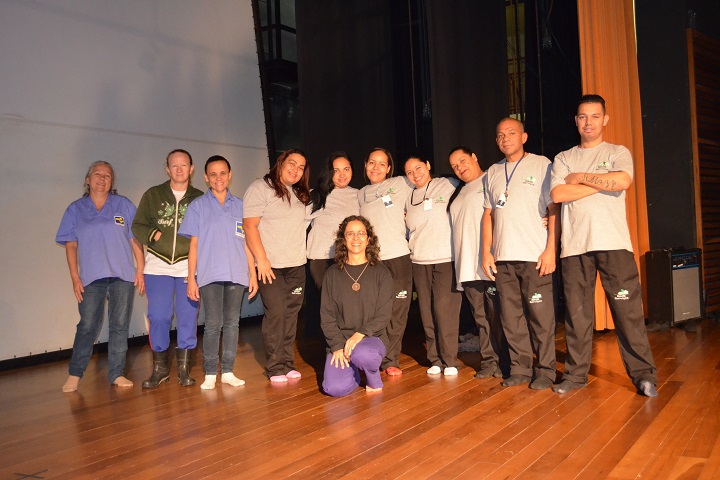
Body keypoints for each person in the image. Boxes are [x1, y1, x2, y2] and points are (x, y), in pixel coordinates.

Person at [550, 94, 658, 397]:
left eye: (595, 116)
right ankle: (575, 375)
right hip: (574, 247)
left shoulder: (618, 151)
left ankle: (643, 376)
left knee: (628, 314)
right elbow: (558, 195)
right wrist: (601, 182)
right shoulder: (563, 158)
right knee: (577, 315)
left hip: (614, 243)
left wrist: (580, 180)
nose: (588, 122)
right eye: (583, 116)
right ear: (576, 121)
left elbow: (623, 181)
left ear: (604, 119)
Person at [481, 119, 559, 389]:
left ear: (524, 136)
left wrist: (551, 249)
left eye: (511, 133)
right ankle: (521, 369)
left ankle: (547, 370)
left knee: (541, 317)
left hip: (534, 255)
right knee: (511, 319)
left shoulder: (542, 164)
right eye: (500, 135)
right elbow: (488, 215)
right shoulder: (492, 171)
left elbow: (553, 210)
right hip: (503, 259)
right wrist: (486, 253)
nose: (505, 138)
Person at [56, 161, 145, 392]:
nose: (102, 179)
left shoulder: (123, 205)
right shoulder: (75, 209)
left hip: (122, 276)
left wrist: (140, 269)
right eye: (97, 174)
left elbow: (135, 240)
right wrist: (75, 278)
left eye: (107, 175)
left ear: (112, 182)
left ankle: (116, 373)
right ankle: (75, 374)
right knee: (87, 325)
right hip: (91, 278)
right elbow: (71, 246)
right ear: (87, 179)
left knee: (119, 326)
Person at [178, 155, 258, 390]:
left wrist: (252, 274)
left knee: (232, 323)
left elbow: (248, 243)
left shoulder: (242, 205)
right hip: (209, 275)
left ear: (230, 174)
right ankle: (211, 372)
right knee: (213, 324)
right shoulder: (198, 206)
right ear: (205, 178)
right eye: (213, 174)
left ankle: (229, 371)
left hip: (236, 273)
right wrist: (191, 278)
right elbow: (193, 245)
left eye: (222, 173)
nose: (218, 178)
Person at [132, 149, 203, 388]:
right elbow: (137, 225)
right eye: (174, 165)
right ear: (167, 169)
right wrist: (153, 235)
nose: (179, 169)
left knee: (187, 316)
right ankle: (160, 370)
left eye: (184, 165)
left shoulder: (200, 198)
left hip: (188, 266)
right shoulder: (153, 195)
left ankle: (184, 369)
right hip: (158, 266)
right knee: (159, 316)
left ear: (192, 169)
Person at [244, 149, 311, 383]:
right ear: (280, 163)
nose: (295, 169)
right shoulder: (260, 188)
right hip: (270, 267)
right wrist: (261, 260)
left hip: (296, 266)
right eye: (291, 163)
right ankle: (275, 367)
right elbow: (250, 227)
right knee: (277, 314)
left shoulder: (300, 194)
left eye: (301, 167)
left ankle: (287, 363)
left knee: (291, 315)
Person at [448, 146, 508, 379]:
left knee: (499, 317)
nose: (460, 168)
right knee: (481, 319)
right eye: (454, 166)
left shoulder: (491, 179)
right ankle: (490, 362)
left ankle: (507, 362)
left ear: (474, 157)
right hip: (467, 266)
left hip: (489, 262)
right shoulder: (458, 192)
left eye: (463, 161)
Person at [321, 215, 394, 396]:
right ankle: (352, 370)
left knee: (364, 354)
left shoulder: (381, 272)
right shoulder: (332, 274)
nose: (356, 238)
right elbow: (327, 316)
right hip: (341, 340)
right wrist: (337, 345)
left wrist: (358, 335)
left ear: (368, 239)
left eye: (361, 233)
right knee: (334, 388)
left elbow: (384, 315)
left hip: (371, 338)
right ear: (343, 240)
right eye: (350, 234)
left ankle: (372, 377)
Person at [404, 156, 462, 376]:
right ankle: (435, 359)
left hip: (446, 259)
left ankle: (450, 360)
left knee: (444, 311)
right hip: (419, 260)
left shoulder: (448, 183)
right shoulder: (407, 195)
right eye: (409, 172)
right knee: (427, 312)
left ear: (428, 165)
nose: (415, 174)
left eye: (418, 167)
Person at [358, 148, 413, 376]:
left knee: (398, 311)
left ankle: (391, 359)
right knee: (374, 312)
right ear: (366, 165)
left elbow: (425, 183)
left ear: (389, 168)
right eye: (372, 163)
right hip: (372, 261)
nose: (376, 168)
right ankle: (373, 355)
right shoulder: (360, 193)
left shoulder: (401, 183)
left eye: (382, 164)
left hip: (398, 257)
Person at [306, 152, 360, 333]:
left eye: (346, 169)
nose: (342, 174)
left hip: (347, 258)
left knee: (348, 305)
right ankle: (332, 350)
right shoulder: (316, 195)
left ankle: (349, 346)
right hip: (321, 259)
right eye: (336, 170)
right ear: (329, 172)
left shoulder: (359, 195)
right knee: (328, 306)